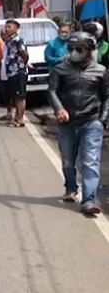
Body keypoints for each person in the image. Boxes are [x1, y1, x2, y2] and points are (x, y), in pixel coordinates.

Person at [47, 31, 108, 216]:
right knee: (67, 162)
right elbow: (52, 91)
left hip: (91, 122)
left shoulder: (101, 71)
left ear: (89, 50)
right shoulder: (60, 69)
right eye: (71, 48)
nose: (74, 52)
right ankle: (71, 187)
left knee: (90, 162)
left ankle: (88, 200)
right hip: (67, 123)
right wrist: (59, 109)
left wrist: (101, 121)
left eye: (79, 49)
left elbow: (107, 97)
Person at [4, 19, 29, 127]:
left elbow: (24, 53)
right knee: (15, 96)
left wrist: (23, 64)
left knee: (20, 96)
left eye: (9, 27)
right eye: (6, 27)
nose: (7, 29)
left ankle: (20, 119)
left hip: (18, 72)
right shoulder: (10, 40)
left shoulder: (18, 40)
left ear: (16, 28)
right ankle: (16, 117)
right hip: (11, 72)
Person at [0, 27, 14, 121]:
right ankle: (9, 113)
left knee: (14, 96)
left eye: (5, 34)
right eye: (2, 35)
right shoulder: (2, 45)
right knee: (5, 95)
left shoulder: (13, 44)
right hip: (3, 73)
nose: (3, 37)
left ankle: (17, 115)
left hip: (12, 74)